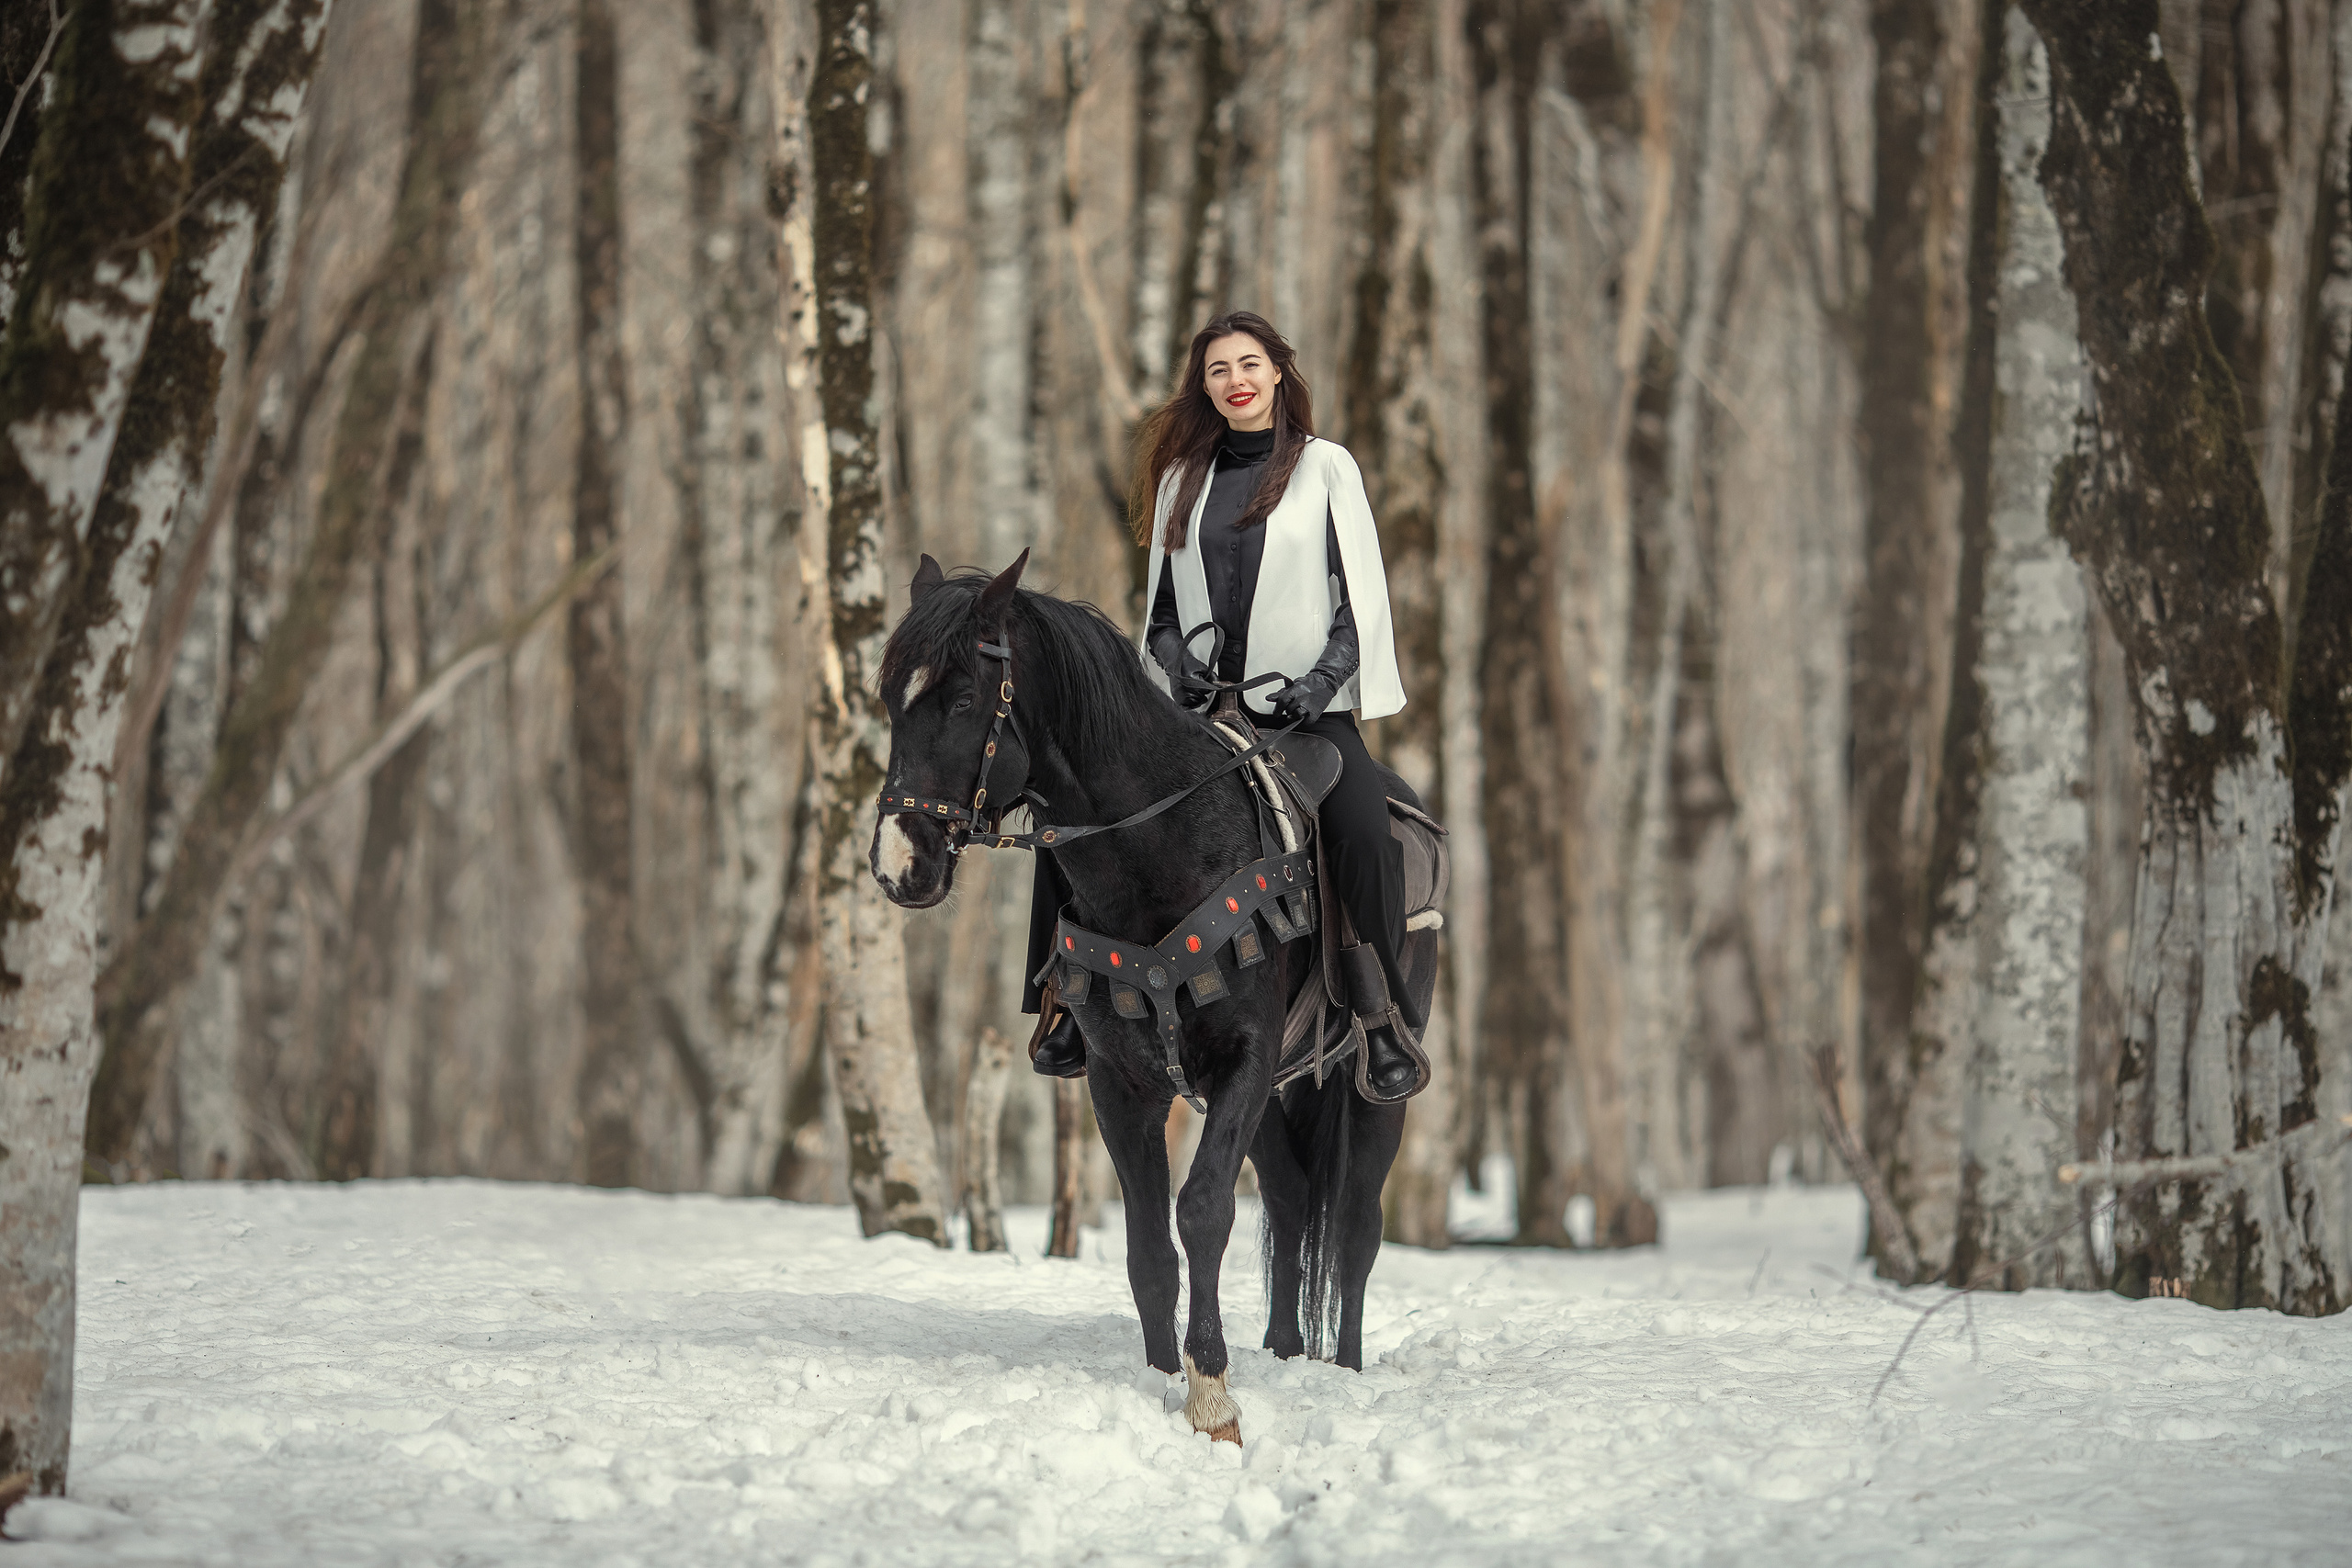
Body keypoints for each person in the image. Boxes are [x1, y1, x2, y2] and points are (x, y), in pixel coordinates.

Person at [1025, 310, 1423, 1100]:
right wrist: (1177, 664)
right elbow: (1163, 613)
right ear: (1203, 386)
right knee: (1065, 814)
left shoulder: (1326, 467)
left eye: (1248, 364)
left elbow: (1359, 599)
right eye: (1217, 370)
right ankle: (1062, 998)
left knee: (1363, 830)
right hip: (1200, 712)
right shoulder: (1182, 477)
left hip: (1306, 712)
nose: (1235, 381)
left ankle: (1381, 1021)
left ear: (1278, 371)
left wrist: (1318, 683)